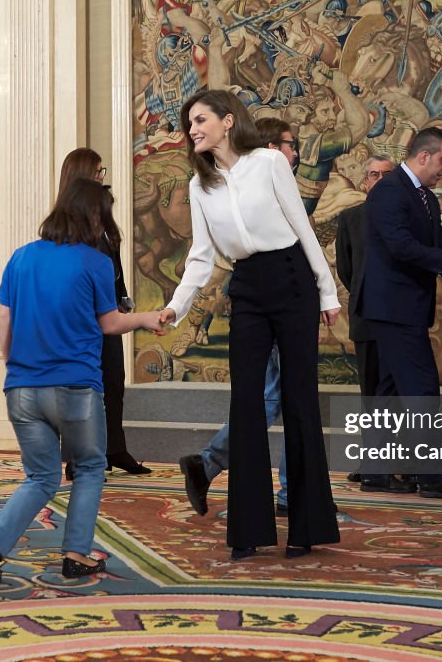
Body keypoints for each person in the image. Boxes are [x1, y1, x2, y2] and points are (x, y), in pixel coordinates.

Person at [160, 89, 340, 560]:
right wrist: (175, 309)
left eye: (200, 120)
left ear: (226, 120)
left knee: (300, 401)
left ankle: (306, 526)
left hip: (292, 278)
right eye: (189, 124)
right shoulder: (201, 186)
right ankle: (248, 530)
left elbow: (302, 228)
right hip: (248, 287)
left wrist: (327, 292)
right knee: (246, 405)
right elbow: (200, 258)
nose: (193, 129)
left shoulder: (268, 162)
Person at [0, 179, 163, 583]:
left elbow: (4, 322)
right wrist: (145, 318)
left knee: (40, 477)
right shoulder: (95, 262)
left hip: (21, 389)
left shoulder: (21, 258)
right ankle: (76, 553)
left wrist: (16, 370)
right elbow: (109, 323)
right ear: (94, 216)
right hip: (75, 386)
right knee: (91, 467)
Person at [354, 127, 442, 498]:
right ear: (425, 156)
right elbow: (400, 246)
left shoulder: (427, 199)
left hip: (407, 308)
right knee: (422, 389)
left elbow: (436, 252)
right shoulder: (388, 190)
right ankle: (432, 477)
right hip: (392, 308)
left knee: (390, 390)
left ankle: (375, 471)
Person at [178, 117, 298, 517]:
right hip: (265, 301)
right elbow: (211, 253)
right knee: (271, 400)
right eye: (288, 143)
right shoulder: (237, 185)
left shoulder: (270, 182)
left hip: (276, 299)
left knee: (271, 399)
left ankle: (210, 466)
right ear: (268, 147)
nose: (295, 152)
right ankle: (279, 490)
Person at [58, 148, 150, 477]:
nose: (102, 176)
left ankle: (116, 449)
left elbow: (113, 264)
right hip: (81, 320)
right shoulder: (65, 225)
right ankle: (74, 457)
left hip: (110, 312)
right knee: (81, 388)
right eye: (98, 171)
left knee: (113, 381)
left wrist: (123, 296)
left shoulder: (103, 217)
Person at [335, 154, 407, 491]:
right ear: (365, 182)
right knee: (372, 394)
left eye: (385, 175)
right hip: (366, 319)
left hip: (401, 319)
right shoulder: (350, 218)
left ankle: (395, 463)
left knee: (397, 397)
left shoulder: (406, 215)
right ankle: (373, 462)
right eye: (373, 175)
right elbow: (347, 271)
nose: (378, 180)